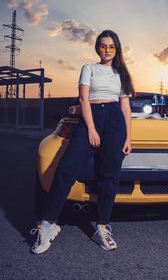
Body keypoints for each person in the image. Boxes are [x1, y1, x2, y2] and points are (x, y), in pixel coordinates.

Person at [31, 29, 135, 253]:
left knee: (109, 177)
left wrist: (128, 136)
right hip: (92, 117)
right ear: (97, 47)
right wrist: (91, 129)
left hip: (115, 122)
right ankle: (47, 225)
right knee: (66, 170)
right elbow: (84, 100)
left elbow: (125, 107)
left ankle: (103, 227)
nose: (106, 50)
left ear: (117, 49)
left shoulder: (122, 74)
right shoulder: (89, 68)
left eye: (111, 46)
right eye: (102, 45)